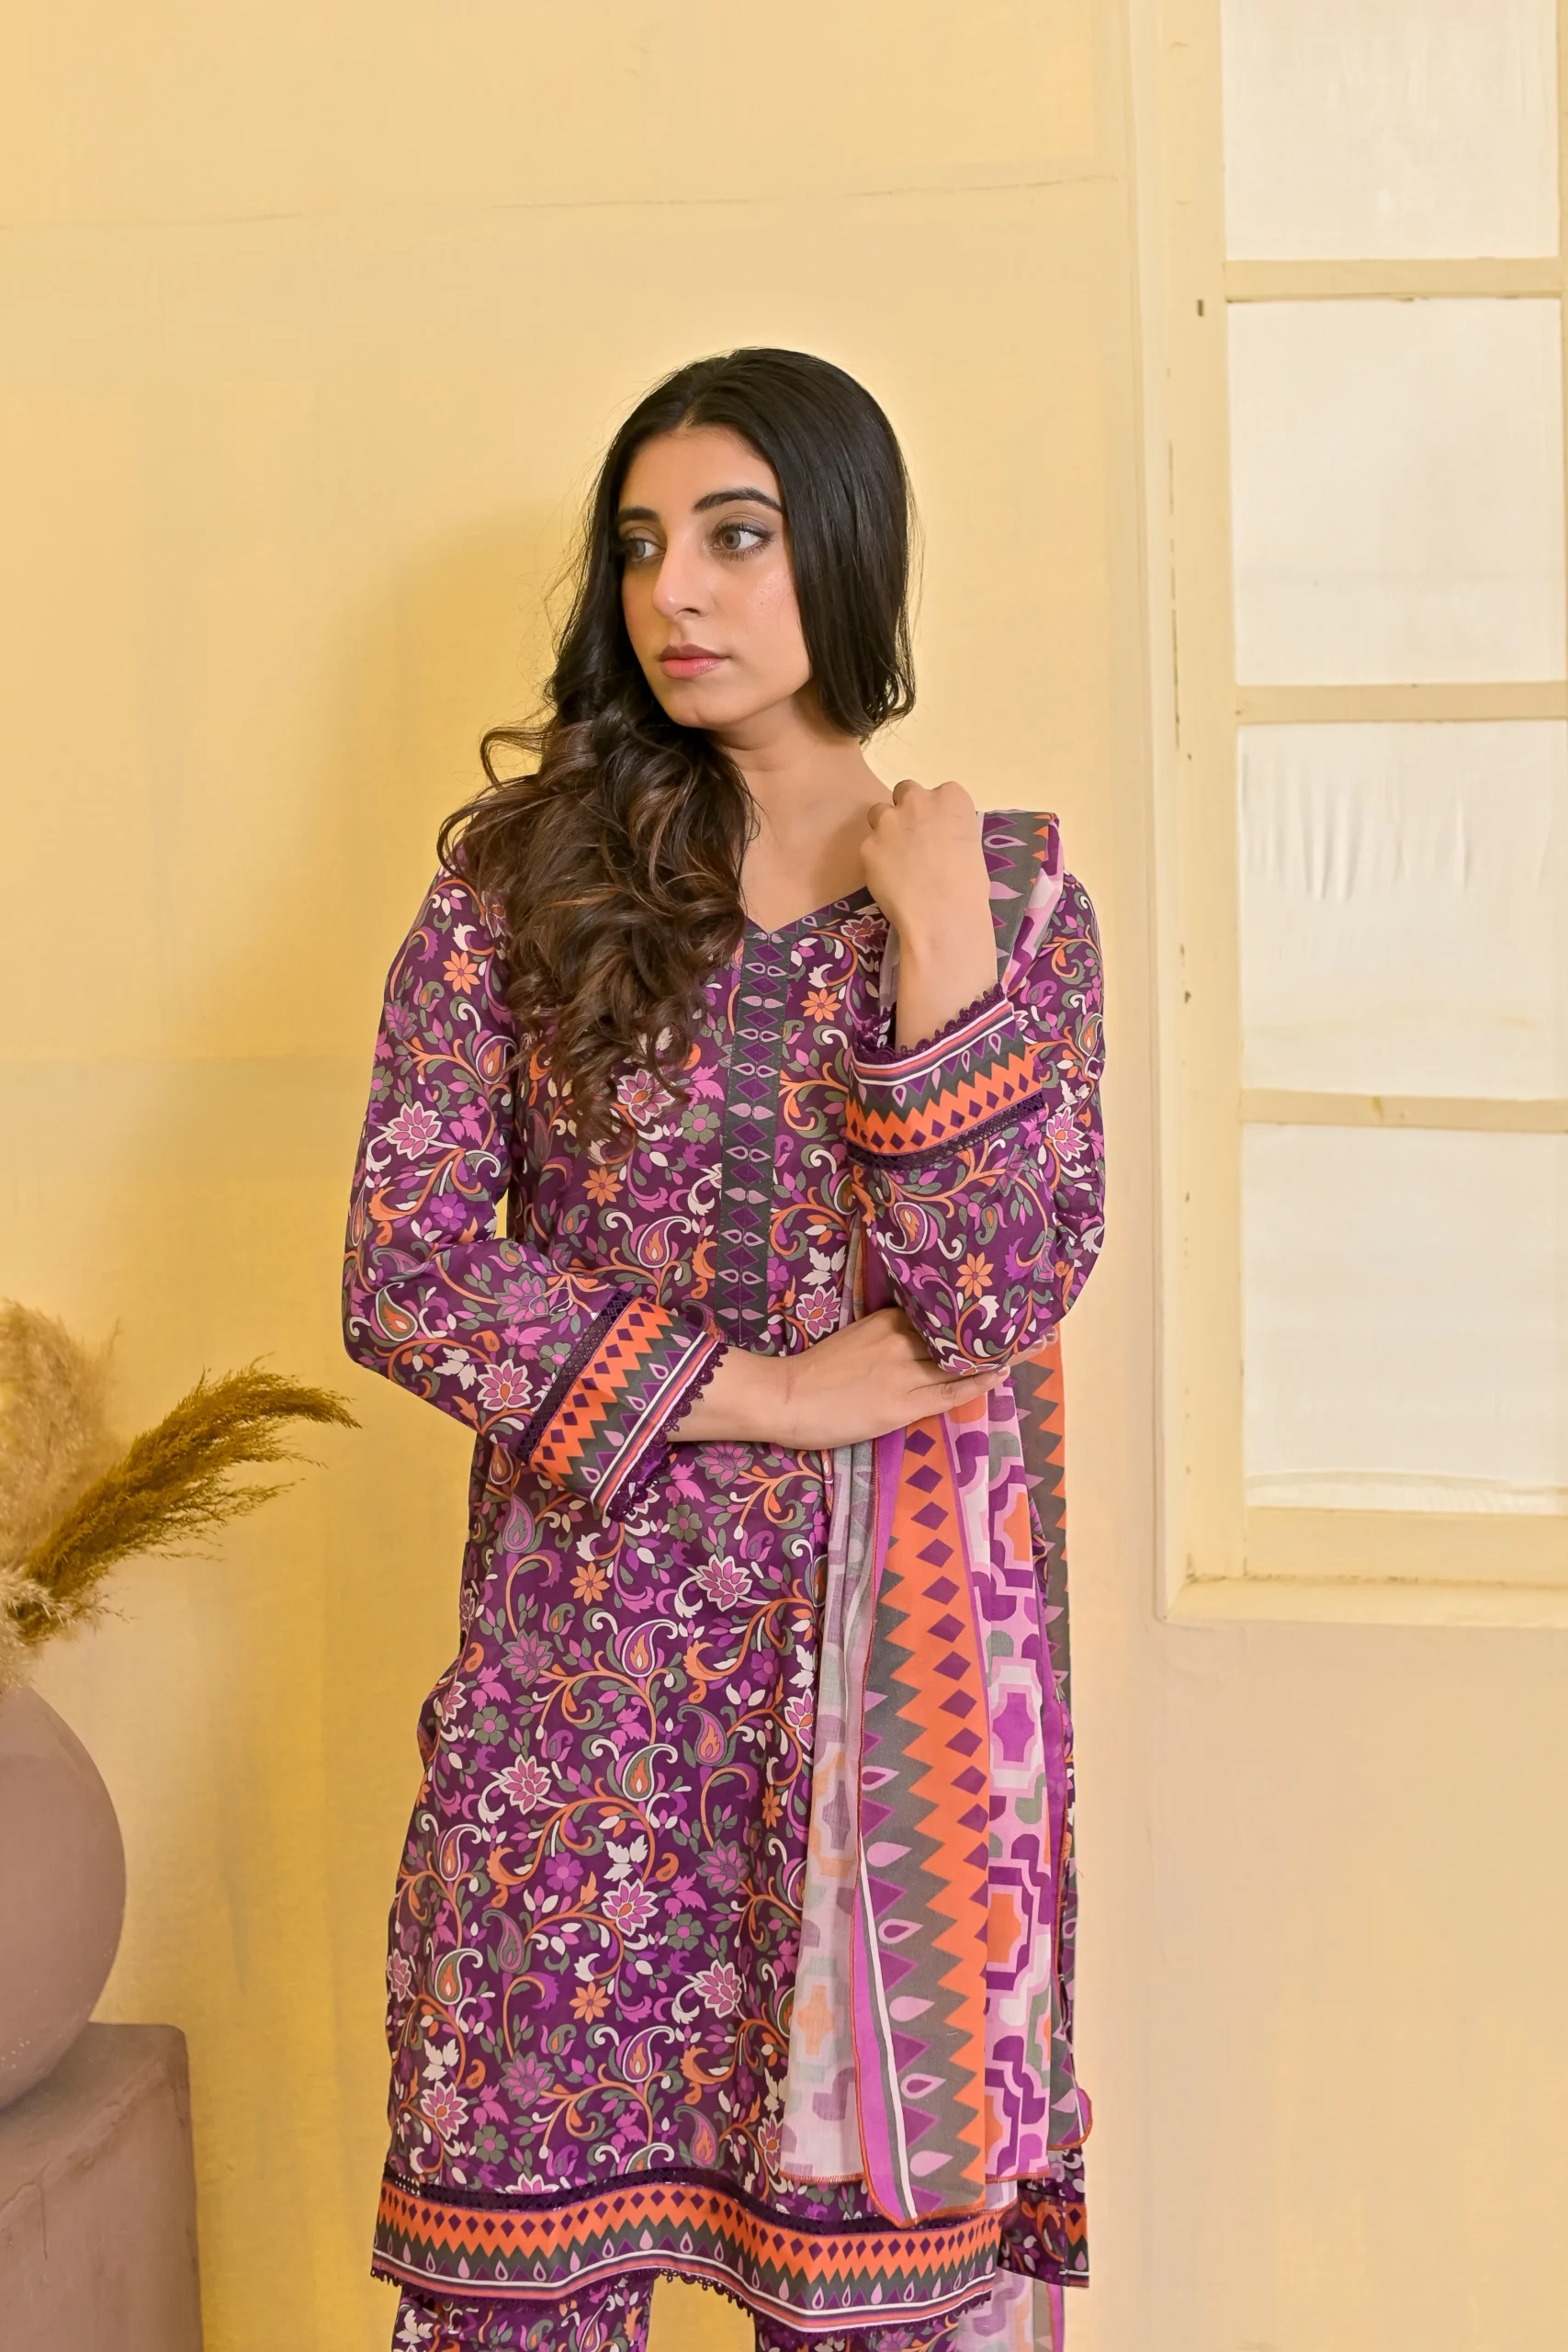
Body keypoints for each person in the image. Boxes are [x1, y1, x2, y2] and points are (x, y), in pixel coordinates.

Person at [343, 347, 1105, 2352]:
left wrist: (937, 958)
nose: (672, 590)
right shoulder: (519, 892)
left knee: (873, 2307)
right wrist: (759, 1392)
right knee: (512, 2295)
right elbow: (407, 1262)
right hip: (576, 1714)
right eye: (640, 545)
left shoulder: (1007, 900)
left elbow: (993, 1305)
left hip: (882, 1739)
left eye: (735, 537)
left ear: (845, 551)